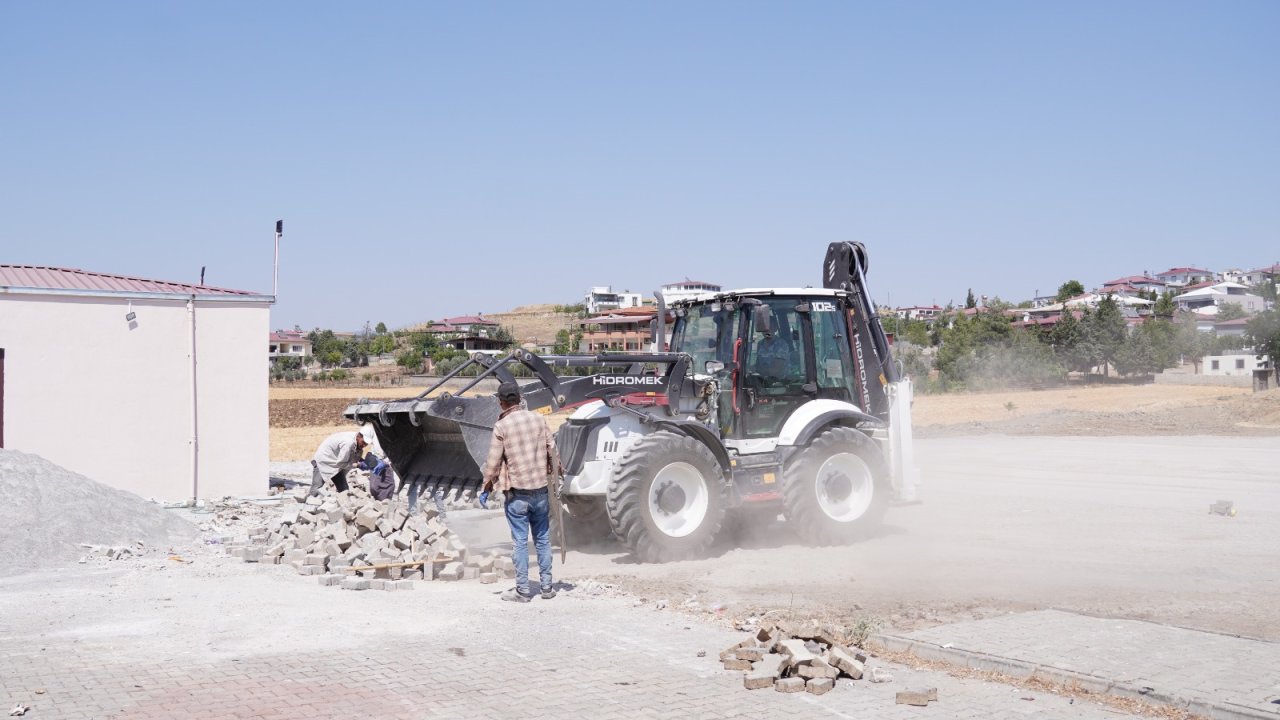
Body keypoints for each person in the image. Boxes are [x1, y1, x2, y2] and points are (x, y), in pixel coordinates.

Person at [480, 381, 560, 603]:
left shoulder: (502, 426)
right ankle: (547, 588)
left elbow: (493, 462)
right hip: (541, 491)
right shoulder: (539, 419)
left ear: (501, 402)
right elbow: (552, 450)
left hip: (518, 496)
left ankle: (523, 591)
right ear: (520, 399)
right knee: (543, 539)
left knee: (520, 542)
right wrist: (557, 474)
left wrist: (486, 486)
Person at [309, 428, 369, 496]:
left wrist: (363, 461)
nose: (364, 445)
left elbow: (353, 454)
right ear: (358, 436)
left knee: (344, 491)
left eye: (366, 444)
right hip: (323, 460)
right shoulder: (348, 443)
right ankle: (311, 502)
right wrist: (358, 465)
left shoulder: (356, 441)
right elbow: (341, 463)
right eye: (363, 442)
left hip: (335, 462)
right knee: (317, 487)